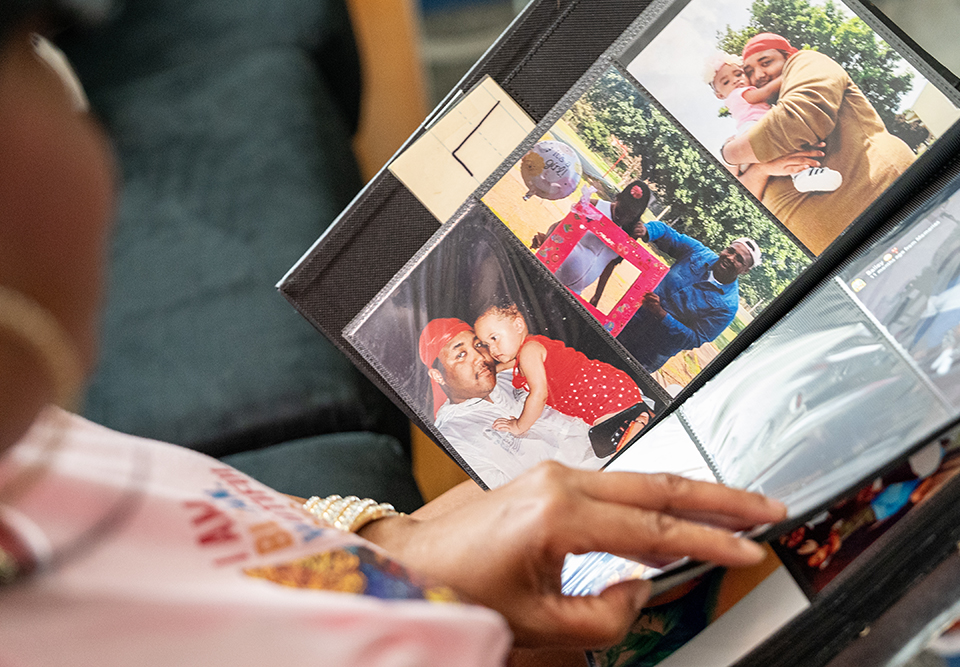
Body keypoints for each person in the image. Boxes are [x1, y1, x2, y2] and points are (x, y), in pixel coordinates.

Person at [0, 5, 788, 665]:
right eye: (32, 46)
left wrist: (389, 545)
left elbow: (196, 529)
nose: (95, 147)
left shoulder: (35, 440)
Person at [721, 33, 916, 255]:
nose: (759, 75)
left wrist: (729, 153)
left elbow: (799, 122)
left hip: (894, 215)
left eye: (766, 62)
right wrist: (764, 168)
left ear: (788, 56)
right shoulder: (754, 123)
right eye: (749, 72)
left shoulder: (806, 61)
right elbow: (743, 194)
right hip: (847, 258)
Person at [420, 317, 606, 486]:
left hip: (616, 450)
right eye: (461, 354)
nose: (480, 357)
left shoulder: (513, 374)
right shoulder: (454, 435)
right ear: (437, 375)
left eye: (479, 345)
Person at [473, 303, 644, 434]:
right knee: (614, 431)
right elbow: (514, 364)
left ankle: (639, 425)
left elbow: (539, 394)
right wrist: (495, 369)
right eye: (486, 345)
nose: (492, 350)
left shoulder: (529, 351)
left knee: (614, 436)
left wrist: (519, 426)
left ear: (518, 326)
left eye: (494, 338)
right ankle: (639, 419)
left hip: (601, 394)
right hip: (610, 385)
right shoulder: (529, 348)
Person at [616, 222, 761, 374]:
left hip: (652, 351)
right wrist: (647, 230)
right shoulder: (698, 253)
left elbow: (695, 338)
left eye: (739, 259)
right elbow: (669, 235)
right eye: (730, 250)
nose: (731, 258)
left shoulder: (728, 306)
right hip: (630, 319)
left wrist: (661, 314)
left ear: (745, 271)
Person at [704, 50, 841, 193]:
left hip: (749, 133)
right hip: (753, 127)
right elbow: (765, 92)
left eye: (738, 74)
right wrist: (788, 75)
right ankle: (802, 175)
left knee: (787, 147)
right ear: (720, 95)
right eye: (726, 82)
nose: (735, 80)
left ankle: (806, 172)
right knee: (784, 144)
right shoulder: (738, 94)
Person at [532, 181, 651, 308]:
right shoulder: (596, 206)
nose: (623, 217)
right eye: (621, 210)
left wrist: (597, 296)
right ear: (618, 198)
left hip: (573, 293)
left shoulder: (629, 233)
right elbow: (560, 227)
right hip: (552, 273)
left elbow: (610, 263)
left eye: (630, 216)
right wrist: (546, 243)